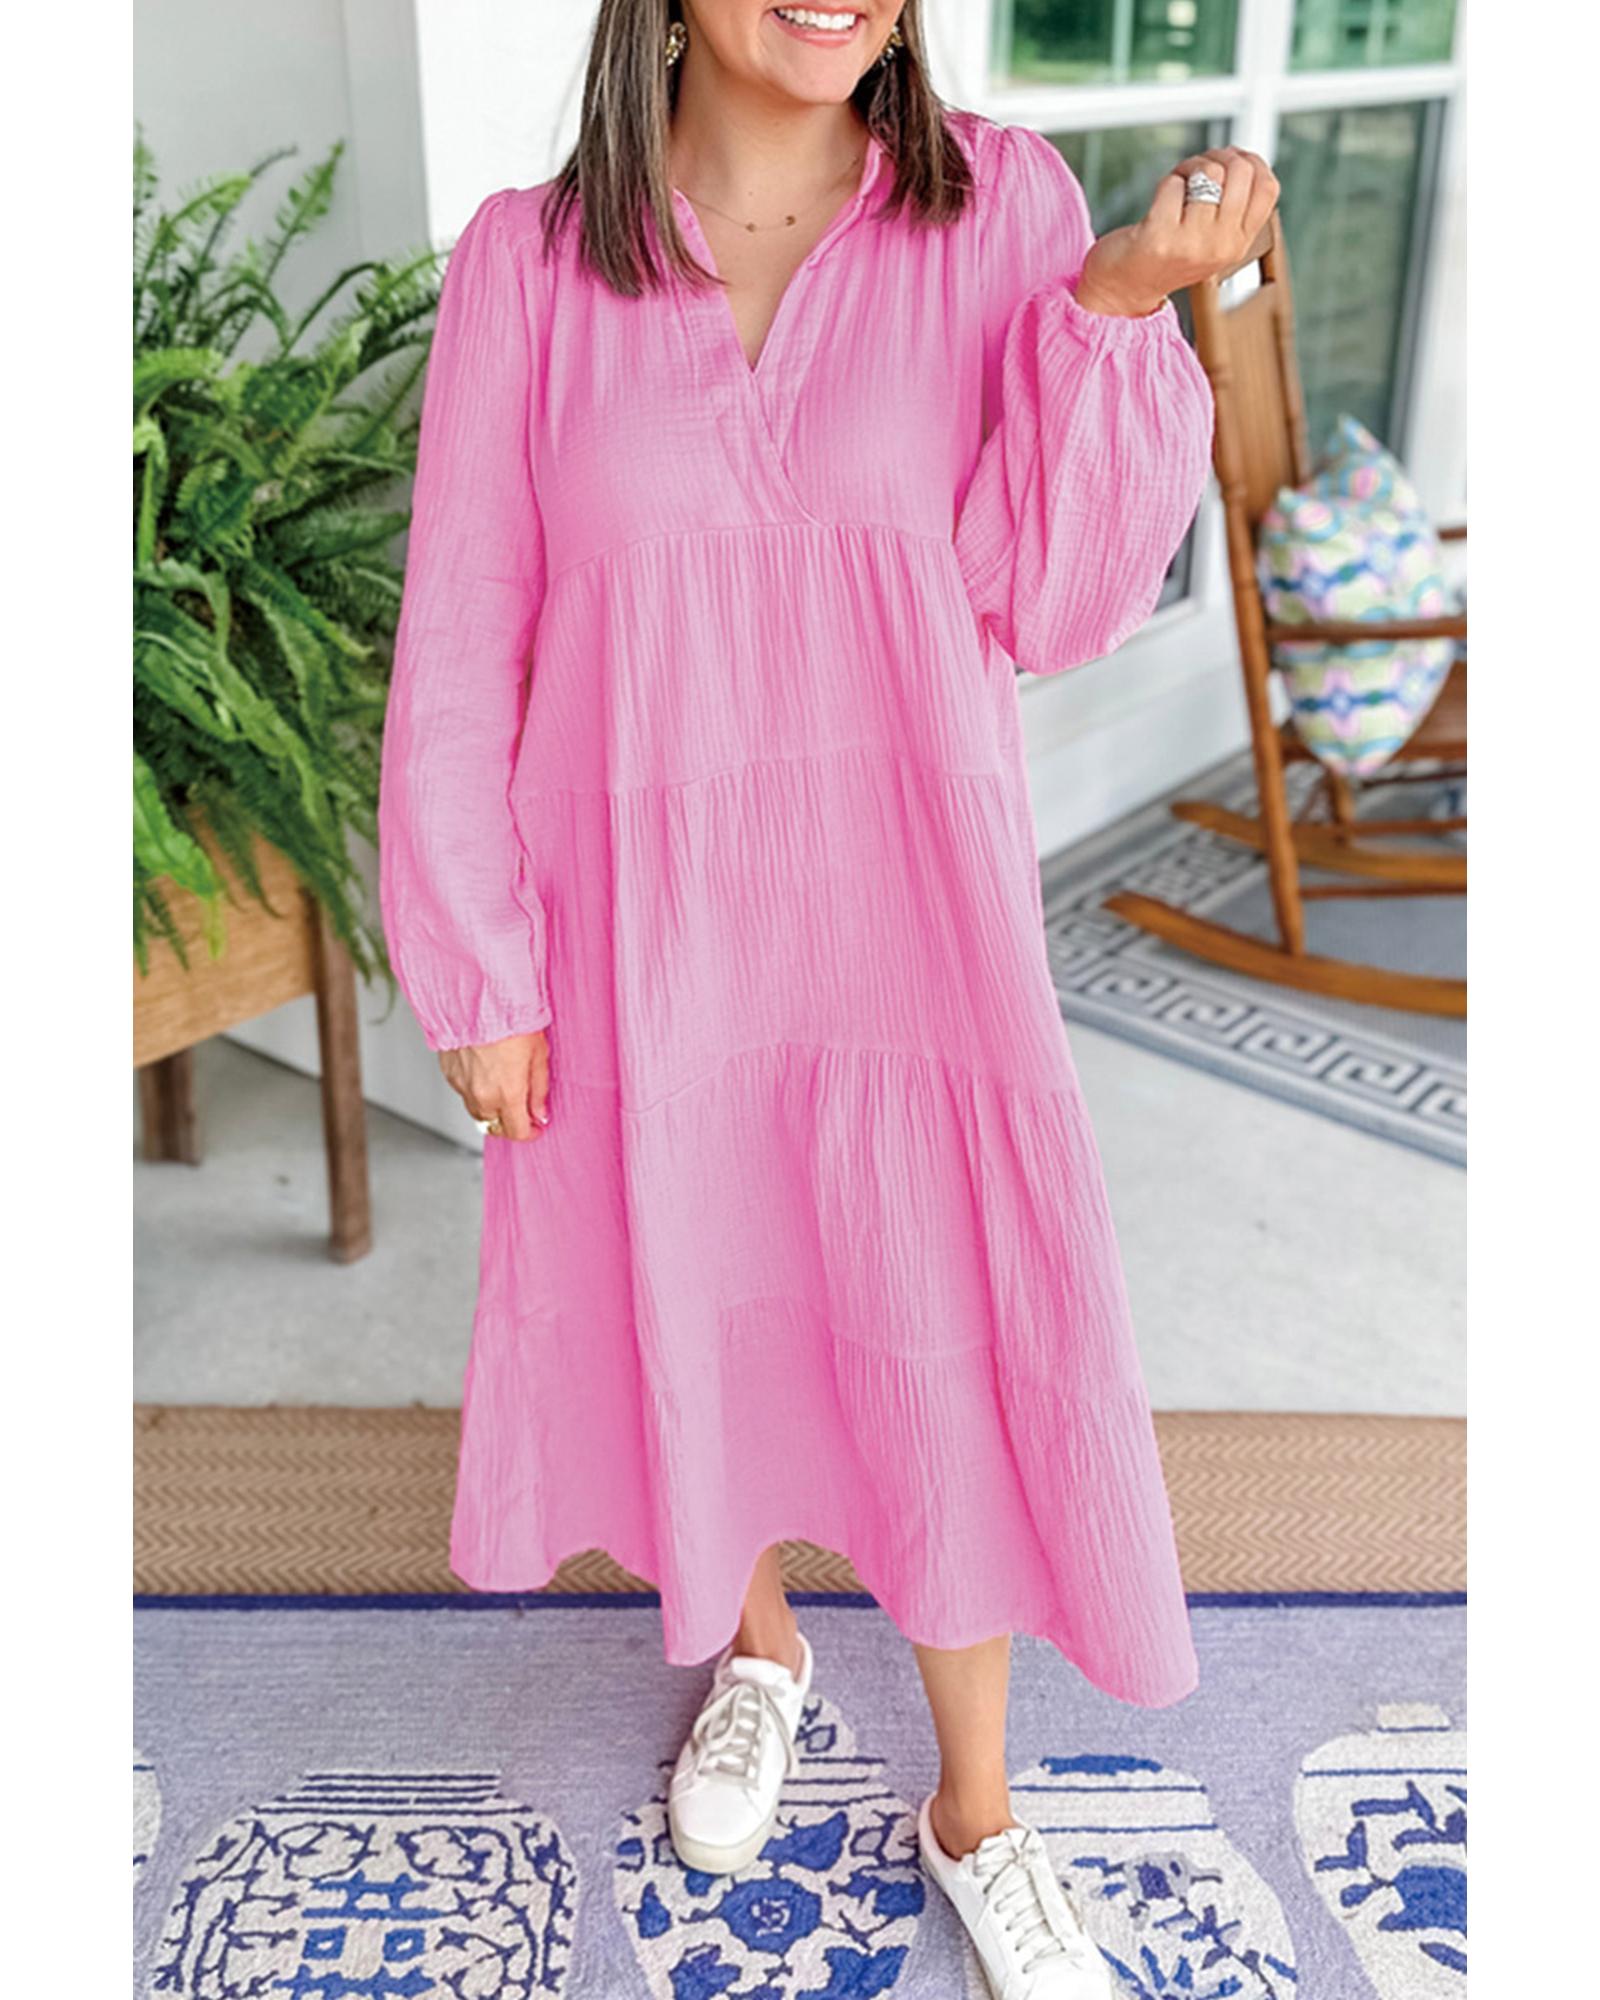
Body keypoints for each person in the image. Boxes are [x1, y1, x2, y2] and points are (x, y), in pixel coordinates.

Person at [378, 4, 1278, 1994]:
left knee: (938, 1321)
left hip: (906, 921)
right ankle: (760, 1646)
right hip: (637, 924)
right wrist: (474, 958)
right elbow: (459, 632)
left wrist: (1119, 304)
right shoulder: (529, 264)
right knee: (699, 1284)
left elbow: (1051, 602)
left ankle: (979, 1805)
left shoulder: (1001, 212)